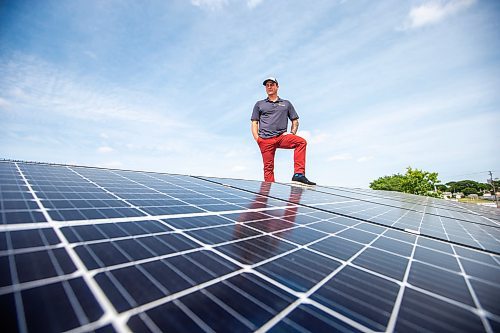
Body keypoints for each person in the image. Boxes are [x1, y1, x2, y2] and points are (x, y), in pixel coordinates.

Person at [251, 77, 316, 185]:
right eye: (267, 85)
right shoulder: (259, 104)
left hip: (281, 137)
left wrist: (292, 133)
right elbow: (254, 122)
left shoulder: (286, 104)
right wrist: (257, 139)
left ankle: (298, 174)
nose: (269, 87)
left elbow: (295, 120)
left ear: (277, 86)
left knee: (301, 142)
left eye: (272, 84)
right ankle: (270, 191)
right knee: (268, 168)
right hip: (265, 140)